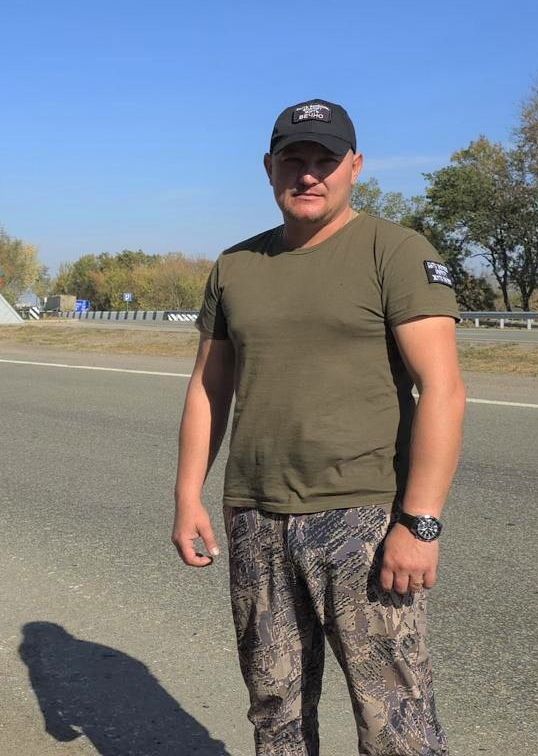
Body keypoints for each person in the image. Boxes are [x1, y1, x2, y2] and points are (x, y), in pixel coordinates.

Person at [171, 99, 465, 756]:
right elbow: (208, 387)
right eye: (293, 160)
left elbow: (444, 389)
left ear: (354, 167)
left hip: (364, 518)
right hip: (256, 516)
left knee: (396, 720)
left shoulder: (395, 251)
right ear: (268, 167)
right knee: (274, 709)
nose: (308, 175)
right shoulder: (236, 266)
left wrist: (420, 523)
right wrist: (188, 496)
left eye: (324, 161)